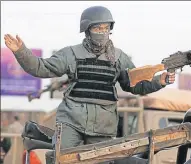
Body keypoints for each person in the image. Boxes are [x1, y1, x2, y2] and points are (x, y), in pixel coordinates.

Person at [4, 6, 175, 163]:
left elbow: (135, 85)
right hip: (71, 121)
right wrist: (21, 52)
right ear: (87, 30)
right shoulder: (71, 54)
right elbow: (42, 68)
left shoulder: (119, 58)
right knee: (61, 158)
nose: (102, 32)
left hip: (103, 126)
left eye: (106, 28)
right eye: (97, 28)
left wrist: (159, 81)